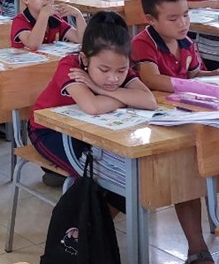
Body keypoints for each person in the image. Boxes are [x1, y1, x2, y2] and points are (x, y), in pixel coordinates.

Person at [131, 0, 219, 264]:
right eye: (173, 18)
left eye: (186, 15)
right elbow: (152, 79)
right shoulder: (143, 43)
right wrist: (201, 87)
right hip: (153, 124)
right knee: (186, 173)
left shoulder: (185, 41)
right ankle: (197, 249)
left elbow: (192, 74)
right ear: (151, 19)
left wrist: (215, 74)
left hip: (189, 118)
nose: (183, 23)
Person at [29, 12, 157, 201]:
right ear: (85, 59)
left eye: (121, 70)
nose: (113, 78)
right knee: (99, 176)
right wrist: (127, 97)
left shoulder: (117, 65)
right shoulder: (71, 66)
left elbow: (149, 101)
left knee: (127, 172)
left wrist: (99, 89)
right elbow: (93, 107)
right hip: (50, 131)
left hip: (93, 130)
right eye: (104, 70)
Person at [9, 0, 85, 51]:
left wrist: (78, 15)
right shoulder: (20, 21)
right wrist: (43, 15)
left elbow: (80, 39)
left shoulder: (54, 18)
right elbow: (33, 45)